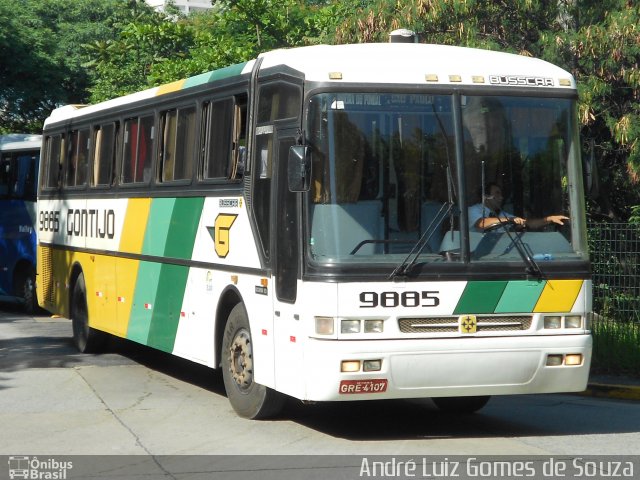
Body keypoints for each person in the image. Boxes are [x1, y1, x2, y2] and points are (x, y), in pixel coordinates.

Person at [468, 182, 569, 233]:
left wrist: (548, 219)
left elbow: (526, 223)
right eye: (497, 193)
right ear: (486, 196)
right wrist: (510, 220)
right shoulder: (473, 210)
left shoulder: (502, 215)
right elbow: (481, 223)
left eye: (501, 194)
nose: (501, 197)